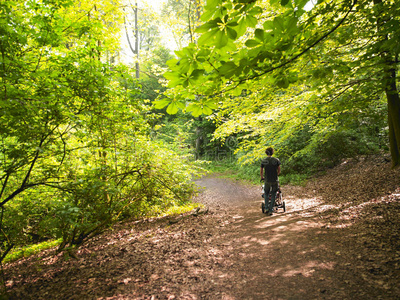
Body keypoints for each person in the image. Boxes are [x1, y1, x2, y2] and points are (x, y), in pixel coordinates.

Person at [260, 147, 281, 215]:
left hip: (267, 179)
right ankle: (271, 209)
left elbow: (261, 170)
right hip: (275, 179)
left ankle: (266, 208)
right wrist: (276, 175)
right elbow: (279, 170)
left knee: (266, 193)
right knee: (274, 193)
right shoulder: (276, 160)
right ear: (272, 152)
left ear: (266, 152)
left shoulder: (264, 160)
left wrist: (262, 177)